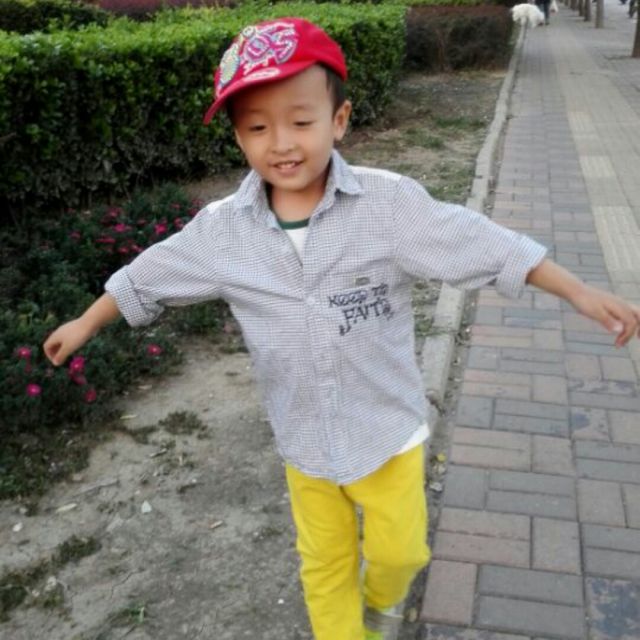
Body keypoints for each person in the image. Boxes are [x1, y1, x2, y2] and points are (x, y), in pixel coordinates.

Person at [43, 17, 640, 640]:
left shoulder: (388, 206)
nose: (281, 143)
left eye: (301, 121)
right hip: (305, 440)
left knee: (401, 554)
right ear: (238, 136)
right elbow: (155, 271)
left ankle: (381, 601)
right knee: (324, 566)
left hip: (386, 435)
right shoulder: (223, 231)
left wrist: (577, 290)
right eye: (257, 127)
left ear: (340, 119)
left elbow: (477, 242)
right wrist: (87, 321)